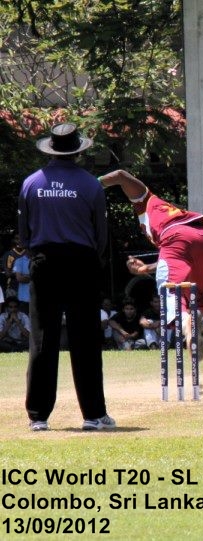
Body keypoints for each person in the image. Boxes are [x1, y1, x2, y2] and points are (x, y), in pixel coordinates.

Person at [97, 169, 203, 364]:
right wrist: (145, 269)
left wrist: (92, 184)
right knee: (200, 296)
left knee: (171, 290)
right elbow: (175, 260)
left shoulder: (147, 201)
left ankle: (188, 325)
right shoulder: (167, 217)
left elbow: (120, 175)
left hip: (176, 238)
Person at [18, 122, 115, 431]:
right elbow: (101, 235)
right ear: (78, 152)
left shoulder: (31, 183)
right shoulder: (90, 185)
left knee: (42, 337)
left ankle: (38, 416)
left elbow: (24, 233)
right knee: (85, 337)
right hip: (81, 263)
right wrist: (90, 259)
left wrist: (38, 255)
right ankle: (93, 415)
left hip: (44, 261)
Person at [2, 231, 26, 298]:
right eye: (17, 239)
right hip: (13, 288)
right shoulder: (9, 255)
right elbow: (8, 273)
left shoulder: (29, 254)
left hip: (27, 287)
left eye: (21, 238)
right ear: (13, 240)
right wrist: (22, 272)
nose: (19, 241)